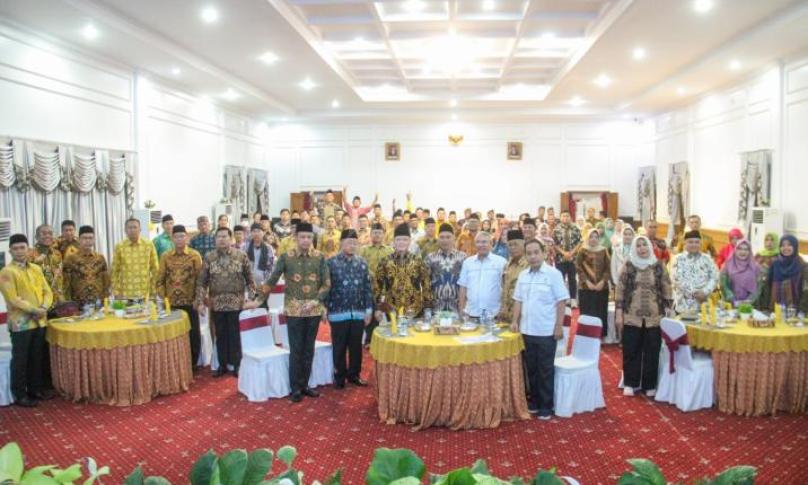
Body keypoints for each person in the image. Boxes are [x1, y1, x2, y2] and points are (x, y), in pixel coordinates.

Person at [262, 222, 331, 402]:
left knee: (309, 349)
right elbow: (272, 279)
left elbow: (326, 283)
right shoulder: (287, 257)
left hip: (313, 310)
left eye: (309, 237)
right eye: (302, 237)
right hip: (294, 311)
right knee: (296, 349)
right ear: (296, 238)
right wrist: (258, 299)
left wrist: (316, 300)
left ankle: (305, 385)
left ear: (312, 238)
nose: (306, 240)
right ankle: (295, 388)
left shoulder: (319, 257)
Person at [511, 239, 569, 419]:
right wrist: (514, 321)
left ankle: (546, 406)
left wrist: (558, 326)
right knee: (531, 369)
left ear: (543, 253)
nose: (533, 256)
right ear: (525, 255)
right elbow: (518, 300)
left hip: (546, 330)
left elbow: (561, 301)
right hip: (527, 330)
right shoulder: (523, 275)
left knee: (545, 369)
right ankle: (534, 401)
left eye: (536, 252)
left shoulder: (553, 274)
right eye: (529, 253)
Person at [0, 234, 55, 407]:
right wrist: (35, 310)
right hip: (20, 323)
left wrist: (44, 307)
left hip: (39, 321)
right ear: (10, 251)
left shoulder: (36, 269)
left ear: (28, 249)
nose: (19, 251)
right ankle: (19, 394)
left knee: (37, 357)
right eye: (15, 248)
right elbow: (13, 299)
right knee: (21, 359)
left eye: (22, 247)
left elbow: (47, 291)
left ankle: (35, 390)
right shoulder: (6, 272)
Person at [615, 236, 672, 397]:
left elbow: (667, 286)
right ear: (635, 248)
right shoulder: (629, 265)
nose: (642, 248)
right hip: (632, 315)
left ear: (650, 247)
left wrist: (668, 309)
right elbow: (620, 289)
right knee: (631, 349)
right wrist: (619, 313)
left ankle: (649, 384)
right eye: (638, 246)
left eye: (644, 245)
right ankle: (630, 383)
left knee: (652, 351)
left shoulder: (658, 265)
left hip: (654, 316)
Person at [195, 227, 255, 377]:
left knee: (235, 335)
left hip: (236, 303)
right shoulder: (209, 257)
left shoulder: (241, 255)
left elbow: (250, 279)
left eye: (224, 236)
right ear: (215, 240)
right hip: (217, 304)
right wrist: (200, 301)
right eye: (219, 237)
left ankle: (237, 364)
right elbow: (202, 282)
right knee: (220, 335)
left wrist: (252, 298)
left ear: (231, 238)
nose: (221, 239)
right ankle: (222, 365)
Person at [325, 229, 373, 389]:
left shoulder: (362, 263)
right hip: (338, 312)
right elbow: (326, 288)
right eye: (348, 242)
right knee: (339, 346)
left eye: (354, 243)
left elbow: (367, 287)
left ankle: (354, 375)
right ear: (341, 243)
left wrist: (368, 310)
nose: (352, 246)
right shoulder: (331, 263)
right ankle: (339, 377)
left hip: (358, 312)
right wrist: (324, 308)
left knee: (356, 346)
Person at [156, 225, 203, 369]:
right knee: (174, 334)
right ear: (172, 238)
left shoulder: (194, 255)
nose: (179, 239)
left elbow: (200, 280)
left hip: (190, 302)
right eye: (176, 236)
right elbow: (159, 280)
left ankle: (192, 363)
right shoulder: (165, 256)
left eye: (182, 236)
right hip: (172, 304)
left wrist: (198, 299)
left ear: (187, 237)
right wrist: (164, 298)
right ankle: (176, 364)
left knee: (192, 334)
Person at [375, 224, 432, 318]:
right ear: (394, 241)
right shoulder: (385, 261)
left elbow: (426, 285)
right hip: (391, 311)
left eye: (405, 239)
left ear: (410, 241)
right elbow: (377, 286)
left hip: (415, 310)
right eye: (398, 239)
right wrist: (377, 308)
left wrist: (428, 308)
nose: (401, 242)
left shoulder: (418, 261)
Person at [458, 231, 507, 320]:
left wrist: (503, 308)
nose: (481, 245)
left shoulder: (501, 262)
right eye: (478, 242)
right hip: (471, 313)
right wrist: (461, 309)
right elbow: (463, 287)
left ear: (491, 243)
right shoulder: (468, 262)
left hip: (494, 314)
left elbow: (505, 287)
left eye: (484, 242)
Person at [360, 223, 394, 344]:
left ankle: (391, 340)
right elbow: (361, 264)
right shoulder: (364, 250)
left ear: (384, 234)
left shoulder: (390, 250)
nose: (377, 235)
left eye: (380, 233)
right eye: (375, 232)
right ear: (370, 234)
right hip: (369, 288)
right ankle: (370, 340)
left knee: (390, 315)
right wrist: (372, 274)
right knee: (372, 313)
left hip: (387, 288)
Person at [671, 230, 719, 313]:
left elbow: (714, 277)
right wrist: (695, 294)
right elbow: (677, 280)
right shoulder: (678, 259)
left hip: (704, 305)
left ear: (700, 244)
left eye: (697, 242)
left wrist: (705, 292)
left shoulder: (707, 259)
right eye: (690, 242)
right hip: (683, 306)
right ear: (685, 243)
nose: (694, 244)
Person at [62, 225, 110, 306]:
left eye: (90, 238)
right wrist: (68, 303)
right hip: (78, 303)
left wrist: (106, 299)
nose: (88, 241)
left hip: (98, 302)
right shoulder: (70, 259)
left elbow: (106, 281)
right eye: (84, 238)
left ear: (94, 240)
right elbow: (66, 284)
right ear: (79, 239)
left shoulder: (100, 258)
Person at [759, 234, 808, 312]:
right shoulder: (775, 264)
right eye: (783, 245)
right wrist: (765, 307)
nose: (785, 248)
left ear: (795, 246)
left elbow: (806, 291)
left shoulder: (803, 266)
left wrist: (802, 311)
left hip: (796, 311)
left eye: (789, 245)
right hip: (774, 310)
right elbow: (767, 286)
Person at [576, 228, 611, 336]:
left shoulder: (604, 250)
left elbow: (608, 268)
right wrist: (587, 282)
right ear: (587, 238)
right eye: (591, 237)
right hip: (586, 288)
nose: (594, 239)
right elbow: (578, 267)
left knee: (601, 312)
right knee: (587, 313)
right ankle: (587, 336)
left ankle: (600, 336)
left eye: (596, 237)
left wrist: (603, 281)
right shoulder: (582, 250)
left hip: (602, 288)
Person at [111, 218, 158, 298]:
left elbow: (155, 269)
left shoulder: (148, 245)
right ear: (125, 230)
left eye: (135, 227)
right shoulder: (119, 246)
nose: (132, 230)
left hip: (145, 293)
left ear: (140, 229)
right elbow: (114, 271)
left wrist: (153, 289)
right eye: (130, 227)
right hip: (125, 294)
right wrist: (116, 292)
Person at [425, 223, 466, 313]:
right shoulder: (431, 258)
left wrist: (463, 309)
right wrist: (427, 308)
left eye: (448, 237)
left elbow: (466, 284)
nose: (445, 240)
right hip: (436, 309)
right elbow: (426, 284)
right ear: (438, 239)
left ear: (454, 238)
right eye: (442, 237)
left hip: (457, 309)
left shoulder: (462, 258)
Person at [28, 224, 64, 305]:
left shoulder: (57, 253)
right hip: (40, 300)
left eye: (50, 233)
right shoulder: (30, 254)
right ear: (36, 237)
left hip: (57, 299)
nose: (47, 236)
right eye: (44, 233)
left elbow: (60, 277)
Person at [720, 239, 762, 306]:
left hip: (750, 306)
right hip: (730, 304)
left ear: (750, 251)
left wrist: (749, 301)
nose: (743, 252)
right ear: (735, 250)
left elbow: (758, 287)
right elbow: (723, 284)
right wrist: (732, 299)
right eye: (740, 249)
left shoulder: (755, 267)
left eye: (746, 249)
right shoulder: (727, 265)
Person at [498, 229, 528, 322]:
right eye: (510, 245)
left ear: (523, 245)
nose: (512, 248)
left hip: (523, 316)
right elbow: (504, 289)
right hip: (507, 316)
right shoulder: (507, 265)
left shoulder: (529, 265)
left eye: (516, 244)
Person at [553, 211, 582, 305]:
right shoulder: (556, 229)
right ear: (560, 218)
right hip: (560, 259)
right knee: (560, 279)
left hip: (572, 258)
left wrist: (572, 253)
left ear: (570, 217)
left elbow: (580, 242)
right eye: (563, 216)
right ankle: (563, 299)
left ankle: (573, 299)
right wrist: (564, 253)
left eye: (567, 216)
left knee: (572, 279)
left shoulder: (576, 228)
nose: (565, 218)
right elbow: (554, 244)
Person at [246, 223, 275, 289]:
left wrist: (266, 281)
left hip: (263, 282)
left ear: (263, 233)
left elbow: (271, 266)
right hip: (248, 283)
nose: (256, 234)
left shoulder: (268, 248)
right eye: (254, 231)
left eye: (258, 231)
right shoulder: (245, 247)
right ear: (251, 233)